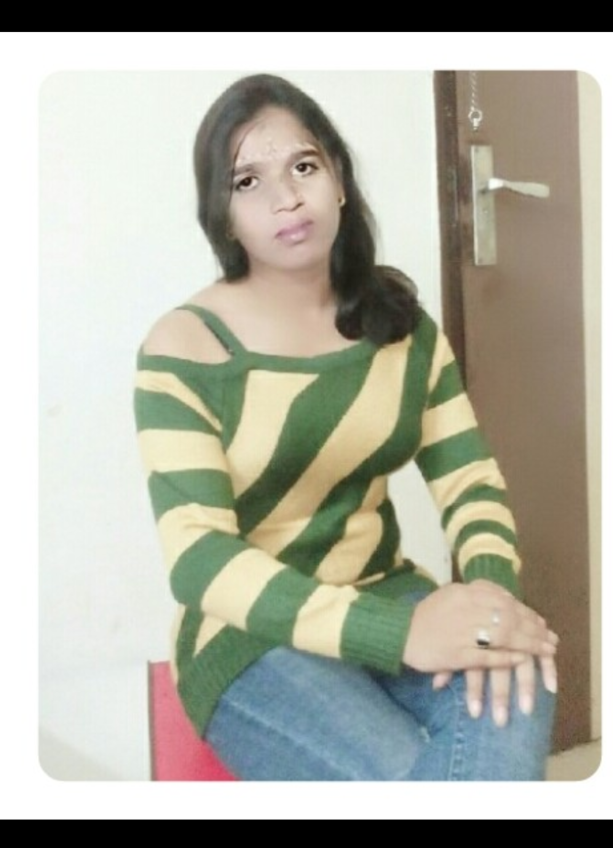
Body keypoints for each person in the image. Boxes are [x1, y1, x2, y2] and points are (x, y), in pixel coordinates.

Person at [134, 73, 557, 781]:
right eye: (247, 182)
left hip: (383, 588)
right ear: (223, 215)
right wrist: (402, 633)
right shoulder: (186, 348)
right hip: (246, 638)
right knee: (404, 773)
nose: (286, 197)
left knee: (520, 685)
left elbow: (469, 480)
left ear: (338, 178)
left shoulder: (399, 324)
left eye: (303, 166)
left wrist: (492, 600)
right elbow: (198, 557)